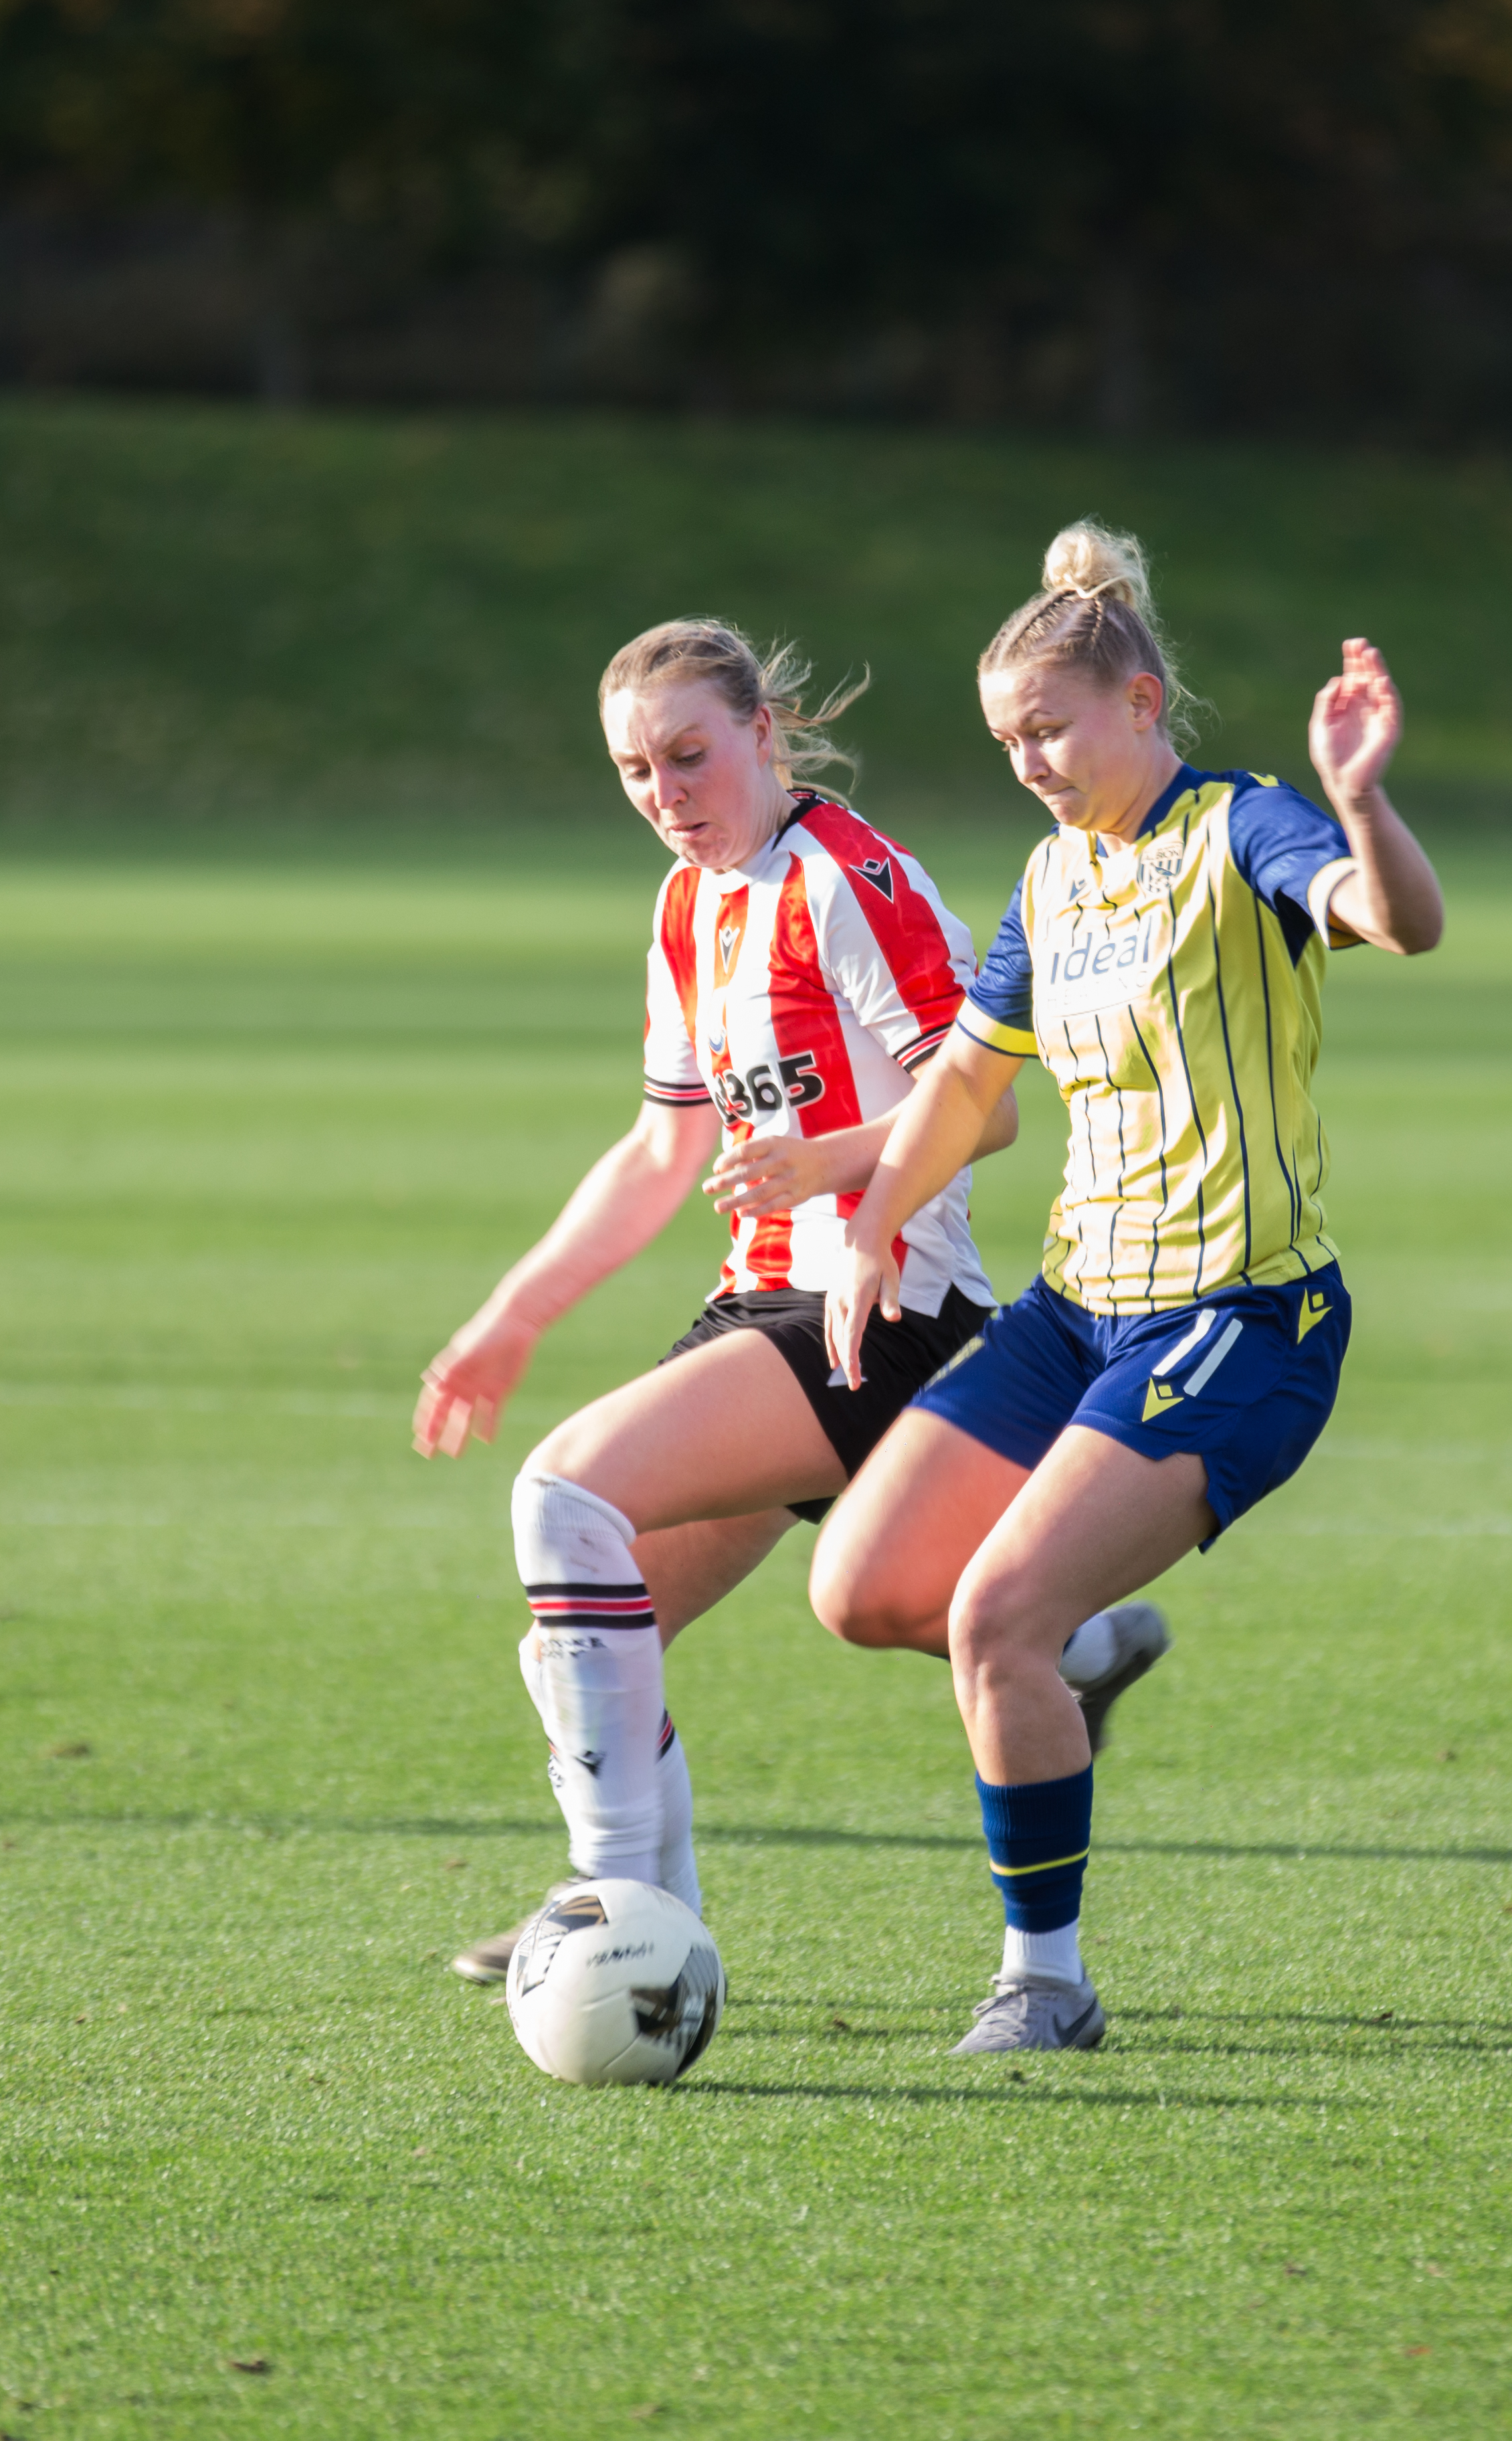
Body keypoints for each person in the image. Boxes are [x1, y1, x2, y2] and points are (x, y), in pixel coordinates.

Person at [412, 617, 1171, 1986]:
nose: (667, 796)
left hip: (885, 1313)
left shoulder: (848, 883)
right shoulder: (690, 905)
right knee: (581, 1632)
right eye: (636, 774)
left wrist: (829, 1164)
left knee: (563, 1504)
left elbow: (985, 1112)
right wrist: (512, 1314)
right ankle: (658, 1925)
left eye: (690, 757)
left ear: (765, 733)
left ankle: (612, 1907)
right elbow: (662, 1153)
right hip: (767, 1317)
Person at [808, 523, 1445, 2054]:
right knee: (864, 1591)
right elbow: (964, 1083)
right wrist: (871, 1220)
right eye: (1005, 738)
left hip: (1241, 1320)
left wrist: (1359, 802)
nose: (1026, 758)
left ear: (1140, 703)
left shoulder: (1244, 828)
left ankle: (1046, 1981)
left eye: (1048, 725)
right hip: (1074, 1311)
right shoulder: (1052, 876)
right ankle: (1081, 1653)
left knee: (989, 1615)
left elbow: (1398, 922)